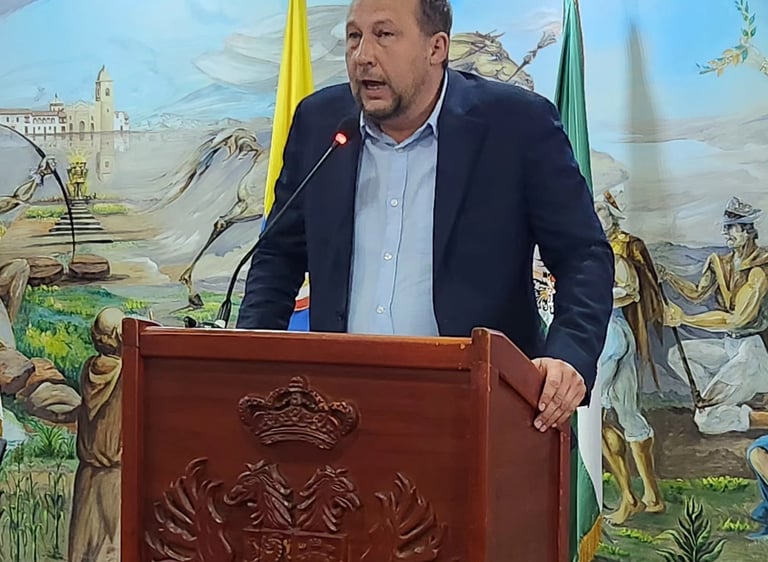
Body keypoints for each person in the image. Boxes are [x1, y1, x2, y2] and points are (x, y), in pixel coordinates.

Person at [237, 0, 614, 431]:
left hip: (480, 413)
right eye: (354, 36)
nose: (362, 56)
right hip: (338, 413)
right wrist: (247, 360)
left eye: (384, 35)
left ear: (436, 48)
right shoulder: (319, 123)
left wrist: (568, 357)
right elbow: (279, 255)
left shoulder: (517, 125)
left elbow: (584, 255)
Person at [660, 196, 768, 435]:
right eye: (726, 227)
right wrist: (668, 276)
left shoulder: (760, 270)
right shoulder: (721, 262)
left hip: (755, 353)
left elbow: (737, 320)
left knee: (706, 420)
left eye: (732, 227)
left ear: (748, 231)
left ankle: (758, 417)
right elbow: (697, 294)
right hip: (730, 346)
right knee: (676, 355)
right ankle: (721, 399)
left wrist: (685, 319)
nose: (725, 232)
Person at [594, 192, 664, 525]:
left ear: (612, 217)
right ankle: (651, 496)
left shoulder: (614, 252)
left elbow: (630, 290)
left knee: (591, 415)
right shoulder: (605, 250)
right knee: (626, 413)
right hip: (617, 333)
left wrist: (590, 296)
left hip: (609, 334)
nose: (596, 218)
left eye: (601, 212)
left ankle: (628, 497)